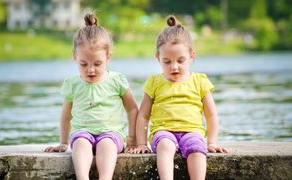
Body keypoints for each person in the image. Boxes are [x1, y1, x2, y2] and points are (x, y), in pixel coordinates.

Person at [133, 15, 229, 180]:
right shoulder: (154, 82)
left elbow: (211, 114)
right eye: (167, 61)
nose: (174, 66)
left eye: (180, 60)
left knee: (198, 150)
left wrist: (211, 142)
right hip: (163, 132)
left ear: (192, 55)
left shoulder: (199, 81)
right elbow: (143, 115)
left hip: (192, 131)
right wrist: (141, 143)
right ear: (158, 58)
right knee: (165, 145)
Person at [44, 12, 138, 180]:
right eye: (84, 64)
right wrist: (64, 143)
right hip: (82, 132)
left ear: (108, 57)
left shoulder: (116, 81)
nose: (90, 69)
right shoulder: (73, 84)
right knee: (80, 143)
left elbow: (132, 109)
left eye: (97, 63)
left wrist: (132, 137)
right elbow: (66, 116)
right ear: (75, 57)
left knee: (106, 145)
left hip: (111, 133)